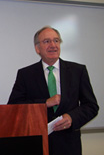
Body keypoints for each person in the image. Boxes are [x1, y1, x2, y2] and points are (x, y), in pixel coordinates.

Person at [8, 26, 99, 155]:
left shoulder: (78, 71)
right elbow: (13, 107)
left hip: (69, 145)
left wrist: (72, 117)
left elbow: (91, 106)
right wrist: (44, 103)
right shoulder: (25, 74)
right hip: (36, 143)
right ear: (37, 48)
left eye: (56, 41)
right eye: (47, 41)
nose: (53, 45)